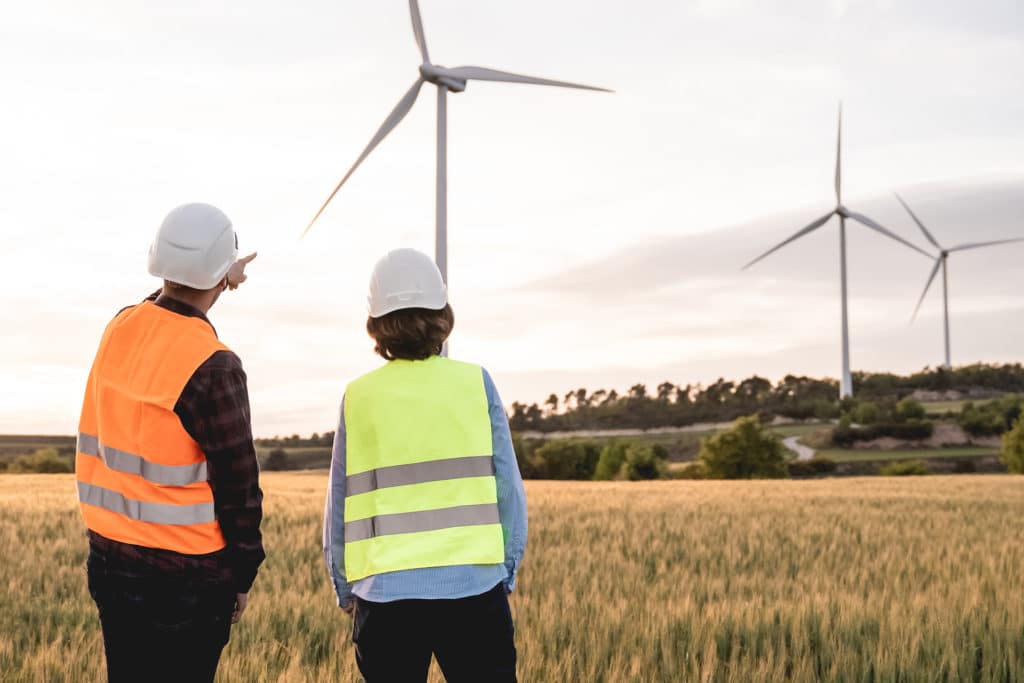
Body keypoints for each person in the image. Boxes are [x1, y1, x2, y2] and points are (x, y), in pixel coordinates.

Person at [75, 203, 265, 683]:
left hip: (110, 560)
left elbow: (161, 305)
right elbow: (239, 486)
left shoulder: (120, 325)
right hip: (186, 580)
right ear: (221, 277)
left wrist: (219, 273)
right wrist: (242, 575)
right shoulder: (214, 366)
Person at [323, 248, 529, 682]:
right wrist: (504, 571)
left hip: (385, 598)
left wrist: (345, 587)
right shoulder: (476, 382)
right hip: (474, 590)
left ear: (376, 324)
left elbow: (338, 503)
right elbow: (507, 487)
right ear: (442, 314)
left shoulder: (359, 396)